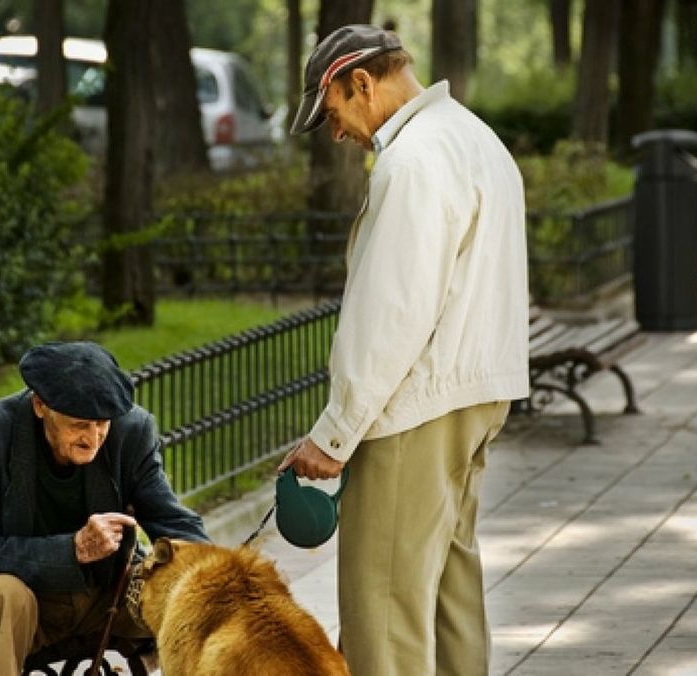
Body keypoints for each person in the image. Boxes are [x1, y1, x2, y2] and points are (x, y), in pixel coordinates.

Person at [279, 24, 529, 676]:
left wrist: (332, 437)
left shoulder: (413, 159)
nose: (337, 134)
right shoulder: (475, 138)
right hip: (476, 395)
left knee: (383, 613)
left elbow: (391, 315)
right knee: (450, 598)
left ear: (361, 82)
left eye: (333, 113)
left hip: (415, 410)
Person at [0, 340, 208, 676]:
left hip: (104, 596)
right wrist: (73, 550)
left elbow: (169, 519)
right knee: (1, 593)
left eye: (102, 424)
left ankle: (148, 661)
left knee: (194, 593)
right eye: (80, 425)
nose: (94, 438)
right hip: (26, 606)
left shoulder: (131, 429)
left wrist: (220, 575)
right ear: (41, 405)